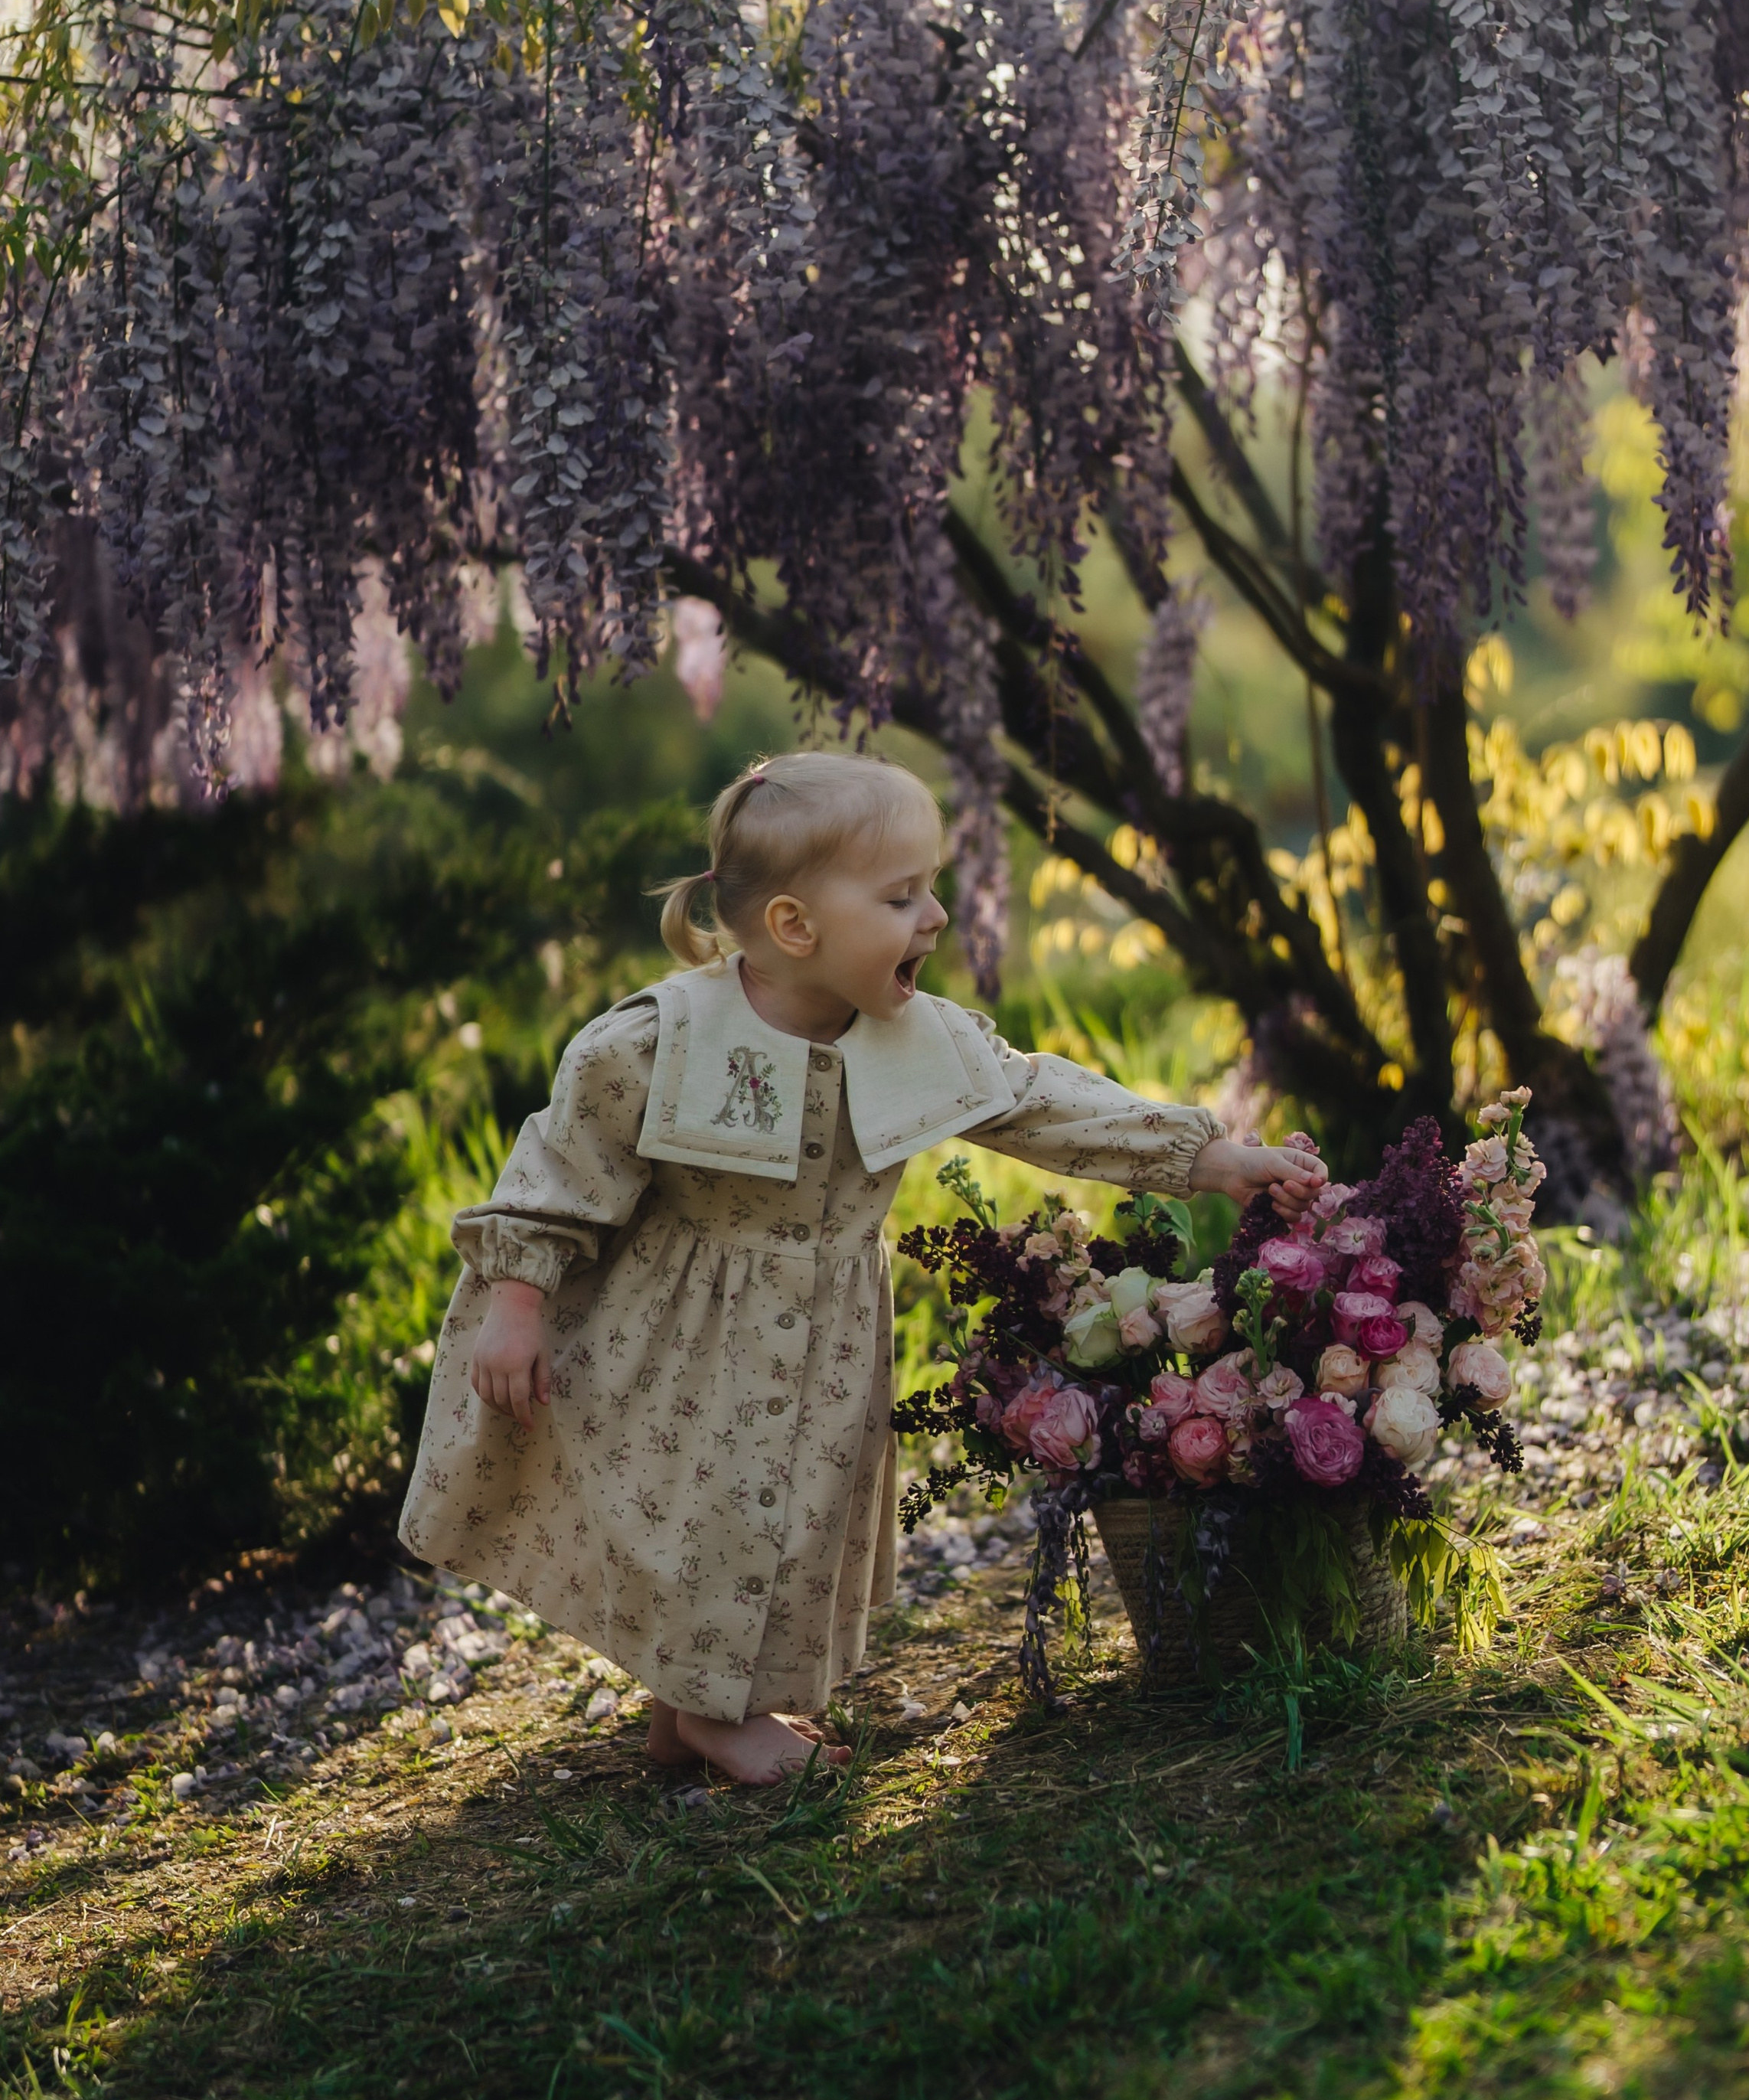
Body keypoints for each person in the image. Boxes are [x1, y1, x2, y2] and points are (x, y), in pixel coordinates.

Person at [399, 751, 1324, 1783]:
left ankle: (691, 1710)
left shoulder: (912, 1036)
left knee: (790, 1512)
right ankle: (717, 1716)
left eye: (930, 887)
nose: (934, 917)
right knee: (711, 1510)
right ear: (796, 927)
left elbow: (1040, 1102)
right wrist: (519, 1302)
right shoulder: (660, 1043)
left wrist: (1210, 1156)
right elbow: (562, 1167)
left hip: (826, 1331)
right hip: (679, 1332)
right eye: (900, 896)